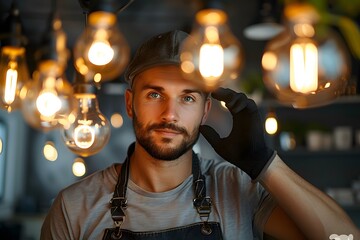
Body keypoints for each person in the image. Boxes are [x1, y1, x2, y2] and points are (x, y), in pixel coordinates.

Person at [40, 30, 360, 240]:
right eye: (154, 95)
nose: (170, 114)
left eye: (188, 98)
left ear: (206, 111)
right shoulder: (74, 208)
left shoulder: (236, 191)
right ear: (129, 103)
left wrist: (265, 164)